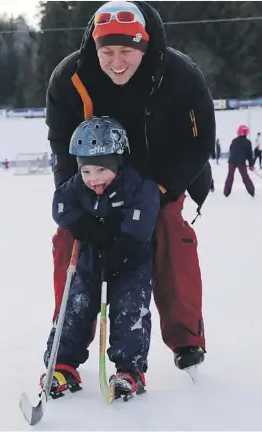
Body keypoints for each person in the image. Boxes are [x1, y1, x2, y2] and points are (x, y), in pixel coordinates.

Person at [45, 0, 215, 376]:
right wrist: (76, 201)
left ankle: (186, 338)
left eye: (127, 51)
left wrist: (162, 189)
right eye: (107, 51)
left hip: (159, 175)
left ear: (144, 45)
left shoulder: (180, 75)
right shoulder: (69, 78)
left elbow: (200, 143)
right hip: (96, 176)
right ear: (95, 48)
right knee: (69, 242)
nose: (117, 62)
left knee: (170, 235)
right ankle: (66, 340)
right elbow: (59, 142)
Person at [42, 116, 159, 400]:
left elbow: (144, 215)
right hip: (92, 257)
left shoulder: (135, 185)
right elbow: (60, 204)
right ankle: (62, 364)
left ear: (117, 165)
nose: (92, 179)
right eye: (86, 172)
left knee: (129, 308)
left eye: (100, 170)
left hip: (130, 258)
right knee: (76, 304)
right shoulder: (78, 186)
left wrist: (122, 246)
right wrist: (83, 226)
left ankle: (129, 370)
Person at [223, 125, 255, 197]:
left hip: (232, 161)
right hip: (241, 162)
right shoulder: (247, 142)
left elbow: (231, 150)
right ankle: (251, 191)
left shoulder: (234, 140)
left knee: (230, 176)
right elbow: (250, 154)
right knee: (245, 177)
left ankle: (226, 192)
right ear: (246, 133)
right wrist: (251, 165)